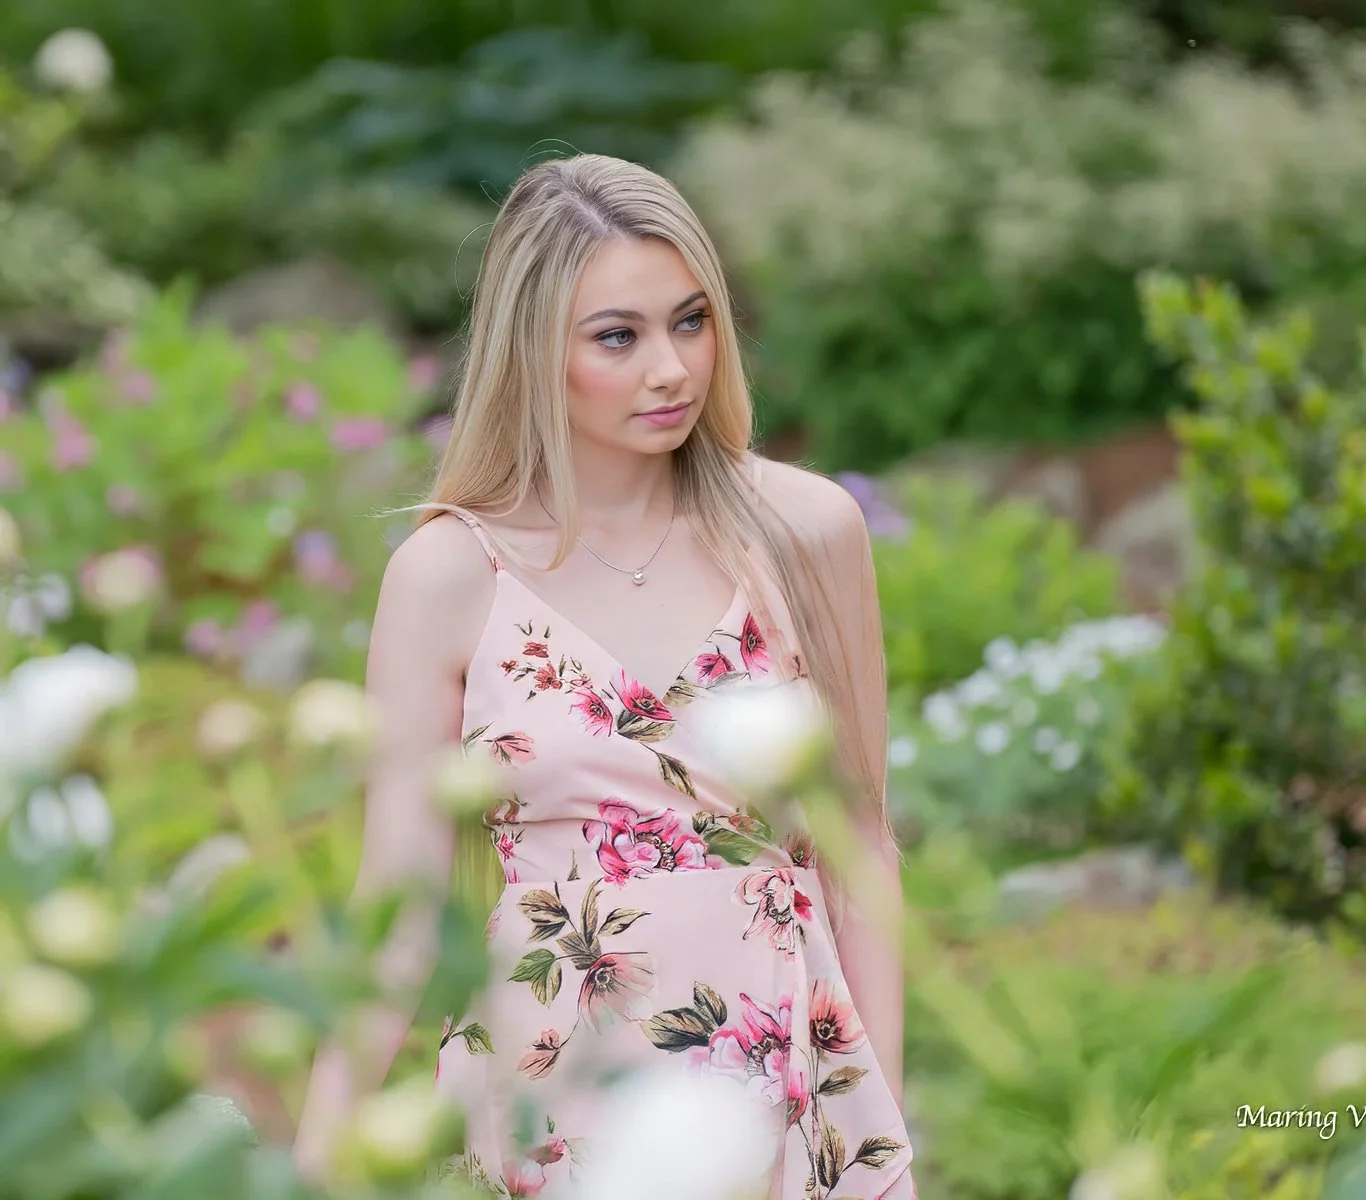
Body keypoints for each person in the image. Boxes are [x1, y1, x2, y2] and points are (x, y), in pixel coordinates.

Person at [293, 152, 913, 1198]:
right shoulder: (449, 575)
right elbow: (399, 896)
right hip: (547, 1091)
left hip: (777, 1090)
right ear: (535, 350)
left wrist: (875, 1131)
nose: (670, 369)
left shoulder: (806, 532)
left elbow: (862, 848)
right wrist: (317, 1151)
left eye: (691, 321)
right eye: (617, 337)